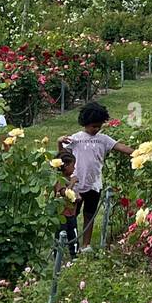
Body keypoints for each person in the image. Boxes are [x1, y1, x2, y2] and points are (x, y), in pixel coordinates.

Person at [68, 102, 134, 250]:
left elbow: (120, 147)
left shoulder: (103, 139)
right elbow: (63, 154)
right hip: (76, 185)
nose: (96, 129)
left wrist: (139, 153)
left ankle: (86, 245)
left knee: (90, 215)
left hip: (94, 184)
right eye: (93, 126)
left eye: (99, 126)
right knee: (71, 216)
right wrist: (60, 143)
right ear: (85, 123)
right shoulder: (75, 138)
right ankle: (71, 244)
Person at [53, 144, 80, 259]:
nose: (74, 169)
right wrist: (72, 182)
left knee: (73, 235)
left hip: (71, 213)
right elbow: (64, 193)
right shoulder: (59, 180)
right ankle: (58, 257)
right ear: (66, 166)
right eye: (73, 166)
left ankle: (74, 255)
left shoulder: (67, 179)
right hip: (62, 215)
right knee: (61, 235)